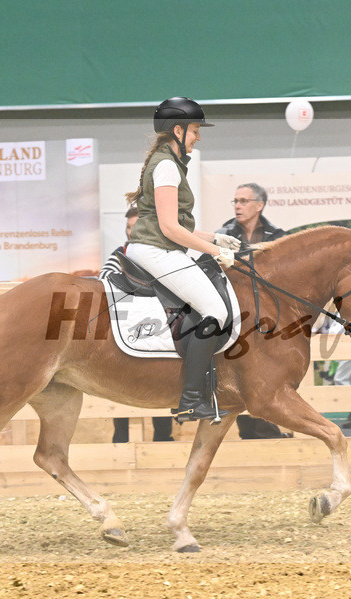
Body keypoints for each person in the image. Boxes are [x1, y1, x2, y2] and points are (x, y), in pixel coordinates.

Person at [124, 97, 240, 422]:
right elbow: (169, 228)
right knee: (216, 311)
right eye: (195, 130)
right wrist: (216, 252)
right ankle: (190, 399)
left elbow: (176, 224)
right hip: (155, 249)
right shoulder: (165, 166)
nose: (198, 137)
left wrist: (215, 238)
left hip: (155, 246)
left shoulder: (168, 163)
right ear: (178, 129)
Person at [216, 182, 291, 438]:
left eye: (243, 201)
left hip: (269, 321)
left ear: (259, 205)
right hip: (235, 317)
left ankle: (265, 429)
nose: (237, 205)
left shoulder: (278, 237)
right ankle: (255, 431)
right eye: (235, 201)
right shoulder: (222, 234)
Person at [100, 206, 174, 442]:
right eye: (128, 228)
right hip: (128, 325)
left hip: (157, 326)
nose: (131, 233)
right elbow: (105, 278)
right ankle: (120, 442)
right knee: (120, 380)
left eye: (136, 227)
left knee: (161, 377)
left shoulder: (162, 253)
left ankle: (163, 440)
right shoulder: (119, 253)